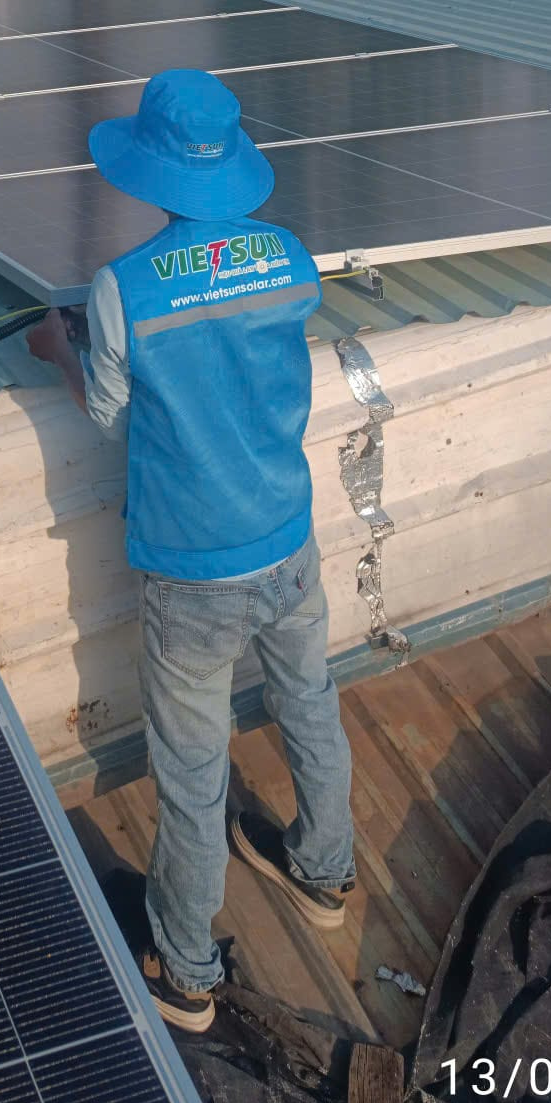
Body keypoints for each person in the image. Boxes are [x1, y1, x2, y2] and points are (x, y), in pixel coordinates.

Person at [28, 66, 357, 1032]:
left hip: (195, 573)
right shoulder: (289, 257)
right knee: (311, 702)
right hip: (287, 539)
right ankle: (325, 872)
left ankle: (185, 969)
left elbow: (109, 410)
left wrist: (60, 349)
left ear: (156, 172)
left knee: (191, 769)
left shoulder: (123, 289)